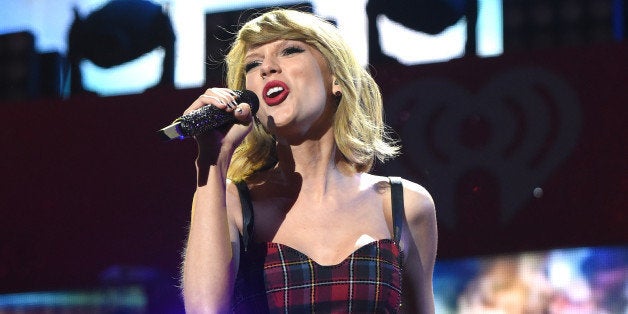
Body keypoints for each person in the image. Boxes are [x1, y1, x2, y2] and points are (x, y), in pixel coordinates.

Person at [180, 9, 437, 313]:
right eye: (253, 64)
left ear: (336, 80)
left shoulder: (404, 205)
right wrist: (213, 160)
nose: (267, 69)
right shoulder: (232, 202)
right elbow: (204, 309)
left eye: (290, 50)